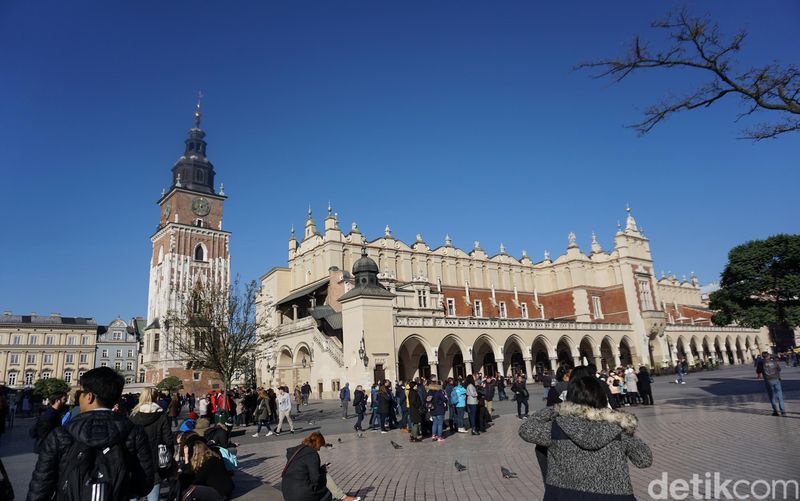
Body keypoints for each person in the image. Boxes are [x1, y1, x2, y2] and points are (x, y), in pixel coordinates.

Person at [26, 367, 155, 501]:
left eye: (80, 392)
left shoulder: (61, 434)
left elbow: (40, 487)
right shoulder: (134, 433)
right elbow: (144, 485)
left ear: (89, 397)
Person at [519, 376, 653, 500]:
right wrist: (621, 421)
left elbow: (526, 428)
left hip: (563, 495)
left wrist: (557, 408)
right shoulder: (618, 430)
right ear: (602, 398)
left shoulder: (556, 429)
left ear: (569, 401)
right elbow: (644, 460)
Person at [281, 432, 360, 501]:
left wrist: (320, 469)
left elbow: (301, 470)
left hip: (287, 492)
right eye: (320, 446)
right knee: (325, 478)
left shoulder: (295, 451)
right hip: (301, 496)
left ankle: (340, 496)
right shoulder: (312, 454)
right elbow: (315, 478)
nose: (319, 449)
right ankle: (343, 497)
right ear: (317, 444)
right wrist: (322, 474)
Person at [129, 388, 173, 501]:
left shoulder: (134, 415)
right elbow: (168, 440)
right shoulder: (161, 415)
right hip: (155, 462)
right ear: (156, 398)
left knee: (133, 495)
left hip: (135, 462)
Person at [178, 432, 233, 499]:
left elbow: (197, 480)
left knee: (189, 490)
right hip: (218, 489)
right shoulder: (208, 459)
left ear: (196, 453)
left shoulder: (210, 462)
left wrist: (186, 460)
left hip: (221, 493)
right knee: (184, 485)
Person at [762, 352, 786, 416]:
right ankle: (782, 410)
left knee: (772, 396)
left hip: (768, 380)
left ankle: (775, 411)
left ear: (763, 357)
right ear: (769, 356)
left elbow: (758, 371)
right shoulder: (775, 362)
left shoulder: (761, 363)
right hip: (776, 379)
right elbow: (779, 369)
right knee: (779, 394)